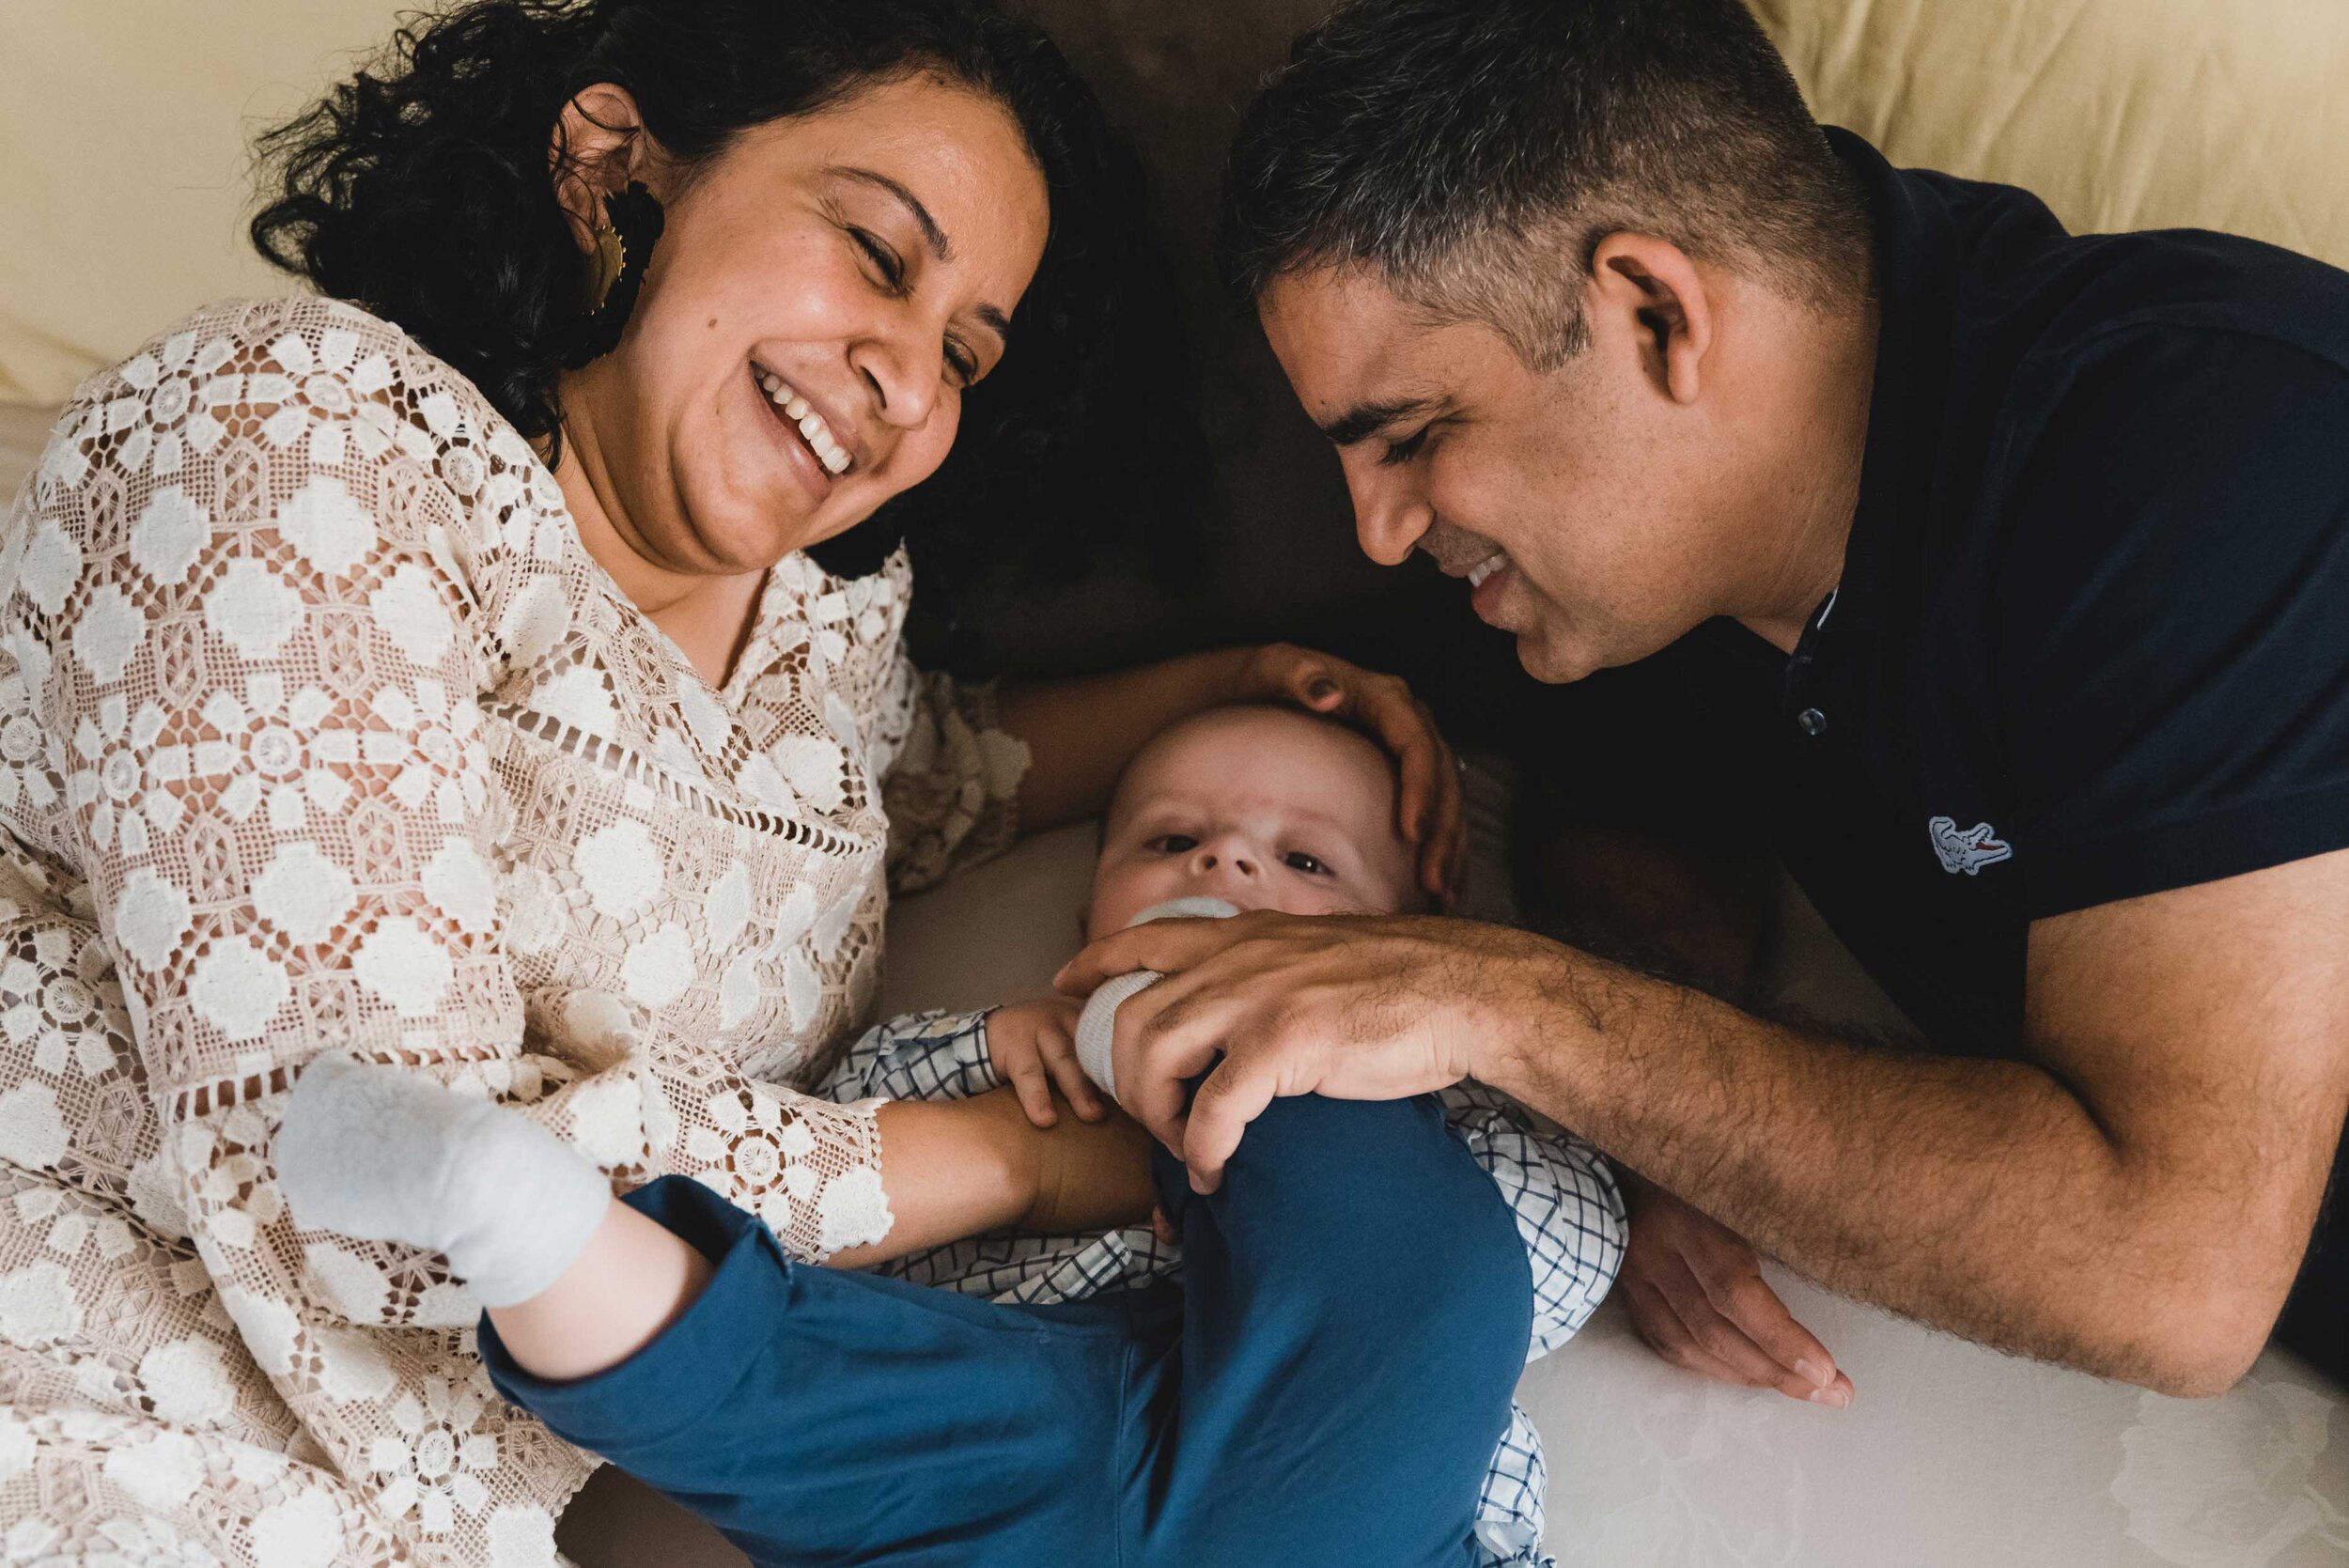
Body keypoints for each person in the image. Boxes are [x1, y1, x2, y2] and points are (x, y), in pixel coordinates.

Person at [0, 2, 1469, 1561]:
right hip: (72, 1390)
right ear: (615, 165)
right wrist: (1018, 1159)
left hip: (414, 1520)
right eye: (878, 256)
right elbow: (362, 1184)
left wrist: (1250, 684)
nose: (907, 381)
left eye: (965, 351)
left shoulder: (821, 640)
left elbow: (930, 775)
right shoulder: (289, 435)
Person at [1064, 0, 2349, 1403]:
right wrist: (1669, 1132)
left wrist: (1503, 1006)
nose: (1377, 533)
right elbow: (1636, 817)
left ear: (1655, 313)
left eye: (1416, 437)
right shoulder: (1660, 540)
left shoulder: (2198, 465)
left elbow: (2172, 1274)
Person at [272, 703, 1622, 1567]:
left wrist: (1279, 1086)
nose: (1228, 869)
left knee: (1435, 1276)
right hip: (1021, 1469)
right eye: (1174, 841)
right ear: (1095, 897)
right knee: (809, 1391)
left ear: (1408, 942)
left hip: (1329, 1485)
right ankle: (529, 1223)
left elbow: (1564, 1247)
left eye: (1304, 865)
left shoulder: (1448, 1116)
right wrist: (1012, 1066)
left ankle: (1231, 1022)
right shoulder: (983, 1056)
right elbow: (840, 1181)